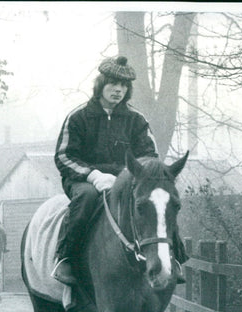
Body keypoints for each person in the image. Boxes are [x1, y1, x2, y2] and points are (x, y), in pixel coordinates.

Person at [52, 55, 186, 286]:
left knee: (159, 199)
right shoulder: (78, 117)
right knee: (86, 197)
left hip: (127, 179)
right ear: (101, 85)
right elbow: (64, 156)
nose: (118, 90)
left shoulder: (136, 119)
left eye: (123, 86)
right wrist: (93, 175)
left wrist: (128, 177)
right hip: (83, 179)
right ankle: (66, 258)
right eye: (113, 84)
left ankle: (175, 257)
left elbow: (150, 158)